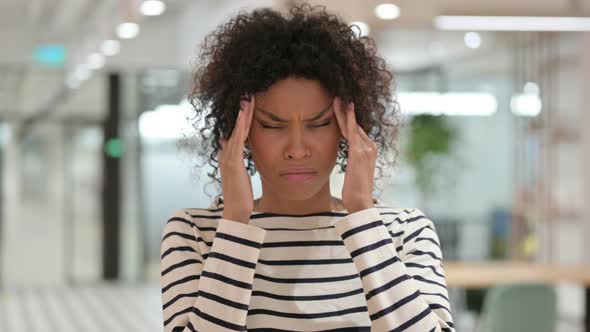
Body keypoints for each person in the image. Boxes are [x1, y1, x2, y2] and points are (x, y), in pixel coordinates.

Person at [160, 3, 455, 331]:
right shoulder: (195, 234)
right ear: (239, 134)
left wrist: (362, 214)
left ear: (348, 130)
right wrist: (236, 222)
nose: (297, 150)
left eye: (318, 124)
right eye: (273, 126)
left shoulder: (404, 231)